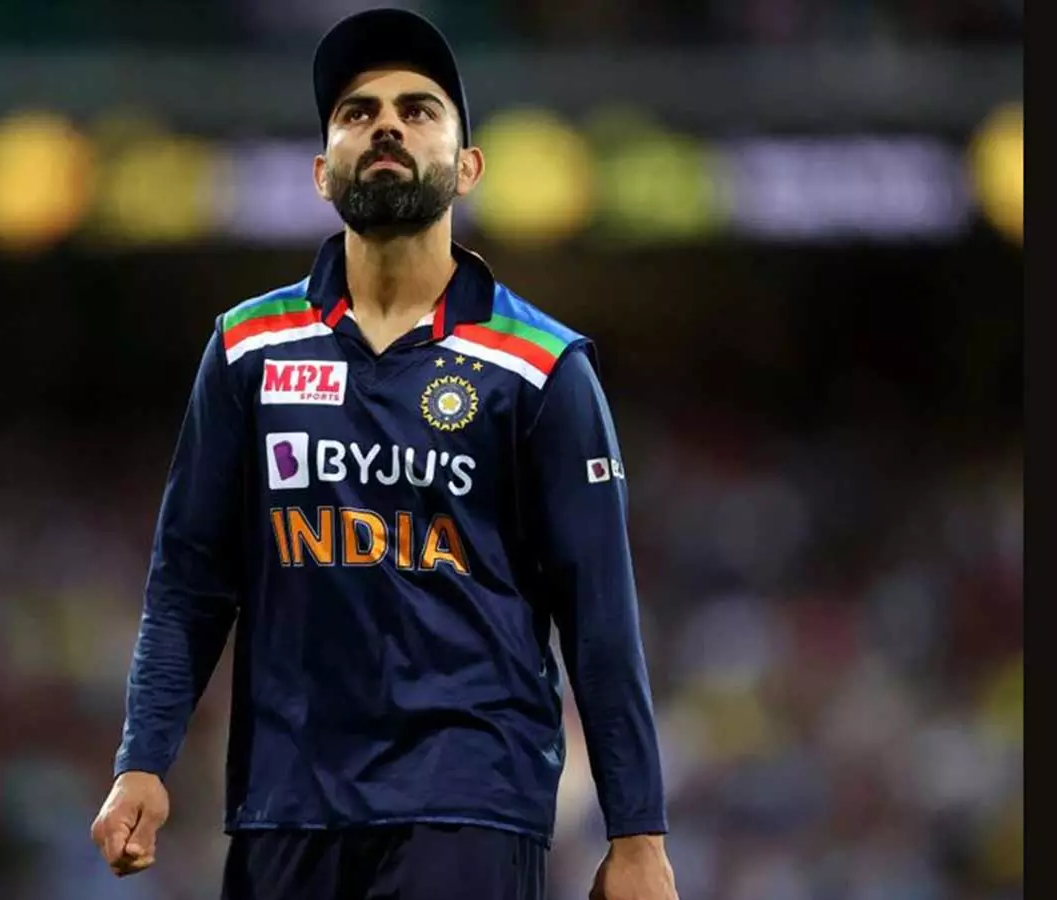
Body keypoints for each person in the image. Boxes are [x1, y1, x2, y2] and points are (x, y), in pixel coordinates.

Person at [90, 9, 677, 899]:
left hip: (469, 806)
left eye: (419, 109)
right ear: (322, 171)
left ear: (467, 167)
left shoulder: (543, 367)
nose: (388, 126)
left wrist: (638, 835)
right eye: (358, 113)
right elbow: (188, 583)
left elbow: (599, 615)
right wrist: (143, 760)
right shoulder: (248, 348)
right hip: (285, 807)